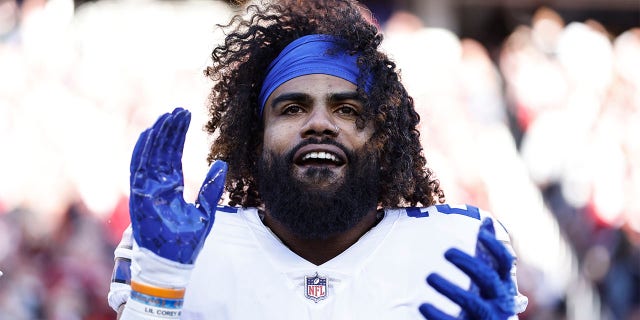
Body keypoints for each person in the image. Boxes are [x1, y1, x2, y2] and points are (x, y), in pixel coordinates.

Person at [108, 0, 528, 319]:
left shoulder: (460, 247)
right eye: (292, 108)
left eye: (347, 109)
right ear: (255, 141)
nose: (320, 124)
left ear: (382, 140)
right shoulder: (181, 250)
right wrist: (160, 288)